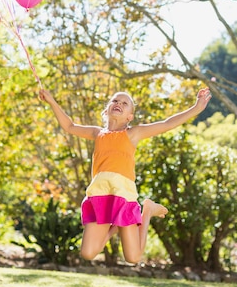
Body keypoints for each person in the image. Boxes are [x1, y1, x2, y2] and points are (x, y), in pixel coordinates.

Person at [39, 86, 212, 265]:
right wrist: (51, 101)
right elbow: (69, 126)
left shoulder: (132, 133)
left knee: (133, 257)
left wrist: (196, 108)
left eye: (124, 103)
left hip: (123, 195)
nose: (118, 104)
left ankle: (148, 211)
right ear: (107, 110)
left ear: (130, 117)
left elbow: (167, 124)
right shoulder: (97, 133)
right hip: (100, 195)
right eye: (115, 100)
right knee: (88, 253)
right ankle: (116, 222)